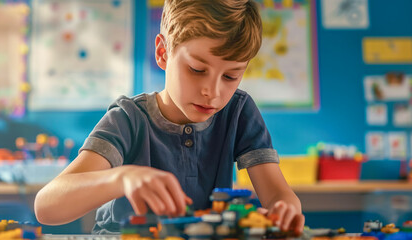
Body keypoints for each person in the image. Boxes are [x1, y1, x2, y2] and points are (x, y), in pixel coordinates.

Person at [34, 0, 304, 235]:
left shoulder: (238, 111)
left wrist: (285, 210)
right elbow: (47, 207)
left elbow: (277, 194)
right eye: (197, 69)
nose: (213, 92)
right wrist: (121, 178)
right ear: (163, 53)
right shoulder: (128, 119)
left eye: (231, 76)